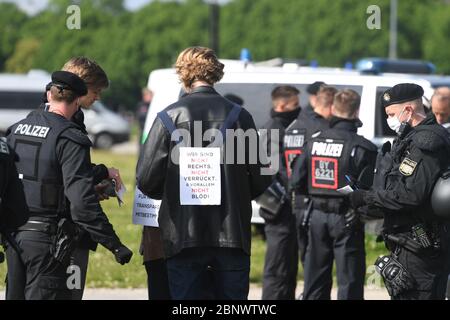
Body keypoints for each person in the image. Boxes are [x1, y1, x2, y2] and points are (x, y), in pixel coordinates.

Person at [137, 46, 271, 300]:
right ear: (215, 73)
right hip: (232, 236)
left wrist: (172, 192)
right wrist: (237, 192)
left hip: (183, 235)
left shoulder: (167, 117)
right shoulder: (241, 117)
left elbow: (146, 181)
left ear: (183, 74)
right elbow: (262, 178)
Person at [5, 71, 132, 300]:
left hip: (15, 241)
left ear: (48, 95)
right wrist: (114, 245)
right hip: (47, 243)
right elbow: (82, 204)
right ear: (76, 102)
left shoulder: (16, 130)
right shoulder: (69, 138)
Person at [348, 83, 450, 300]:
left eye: (392, 114)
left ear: (409, 110)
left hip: (420, 245)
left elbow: (411, 195)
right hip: (406, 243)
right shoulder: (409, 139)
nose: (389, 120)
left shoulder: (426, 142)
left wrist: (367, 197)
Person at [291, 89, 377, 300]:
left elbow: (296, 182)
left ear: (333, 109)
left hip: (316, 216)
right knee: (349, 280)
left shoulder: (312, 143)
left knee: (315, 278)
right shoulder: (363, 147)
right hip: (347, 217)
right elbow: (370, 190)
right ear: (356, 111)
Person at [60, 57, 126, 300]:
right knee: (68, 293)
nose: (98, 97)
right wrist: (115, 245)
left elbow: (69, 173)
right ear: (80, 86)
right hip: (64, 231)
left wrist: (92, 182)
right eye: (96, 91)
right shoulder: (66, 125)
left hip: (41, 231)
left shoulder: (67, 119)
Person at [284, 85, 334, 269]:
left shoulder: (293, 126)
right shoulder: (322, 129)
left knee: (306, 257)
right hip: (315, 200)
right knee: (318, 261)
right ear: (331, 106)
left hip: (296, 200)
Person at [260, 86, 300, 300]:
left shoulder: (286, 128)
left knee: (289, 268)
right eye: (295, 105)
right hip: (279, 213)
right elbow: (268, 176)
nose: (298, 110)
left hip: (289, 212)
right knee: (277, 271)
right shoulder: (273, 131)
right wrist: (281, 207)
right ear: (281, 105)